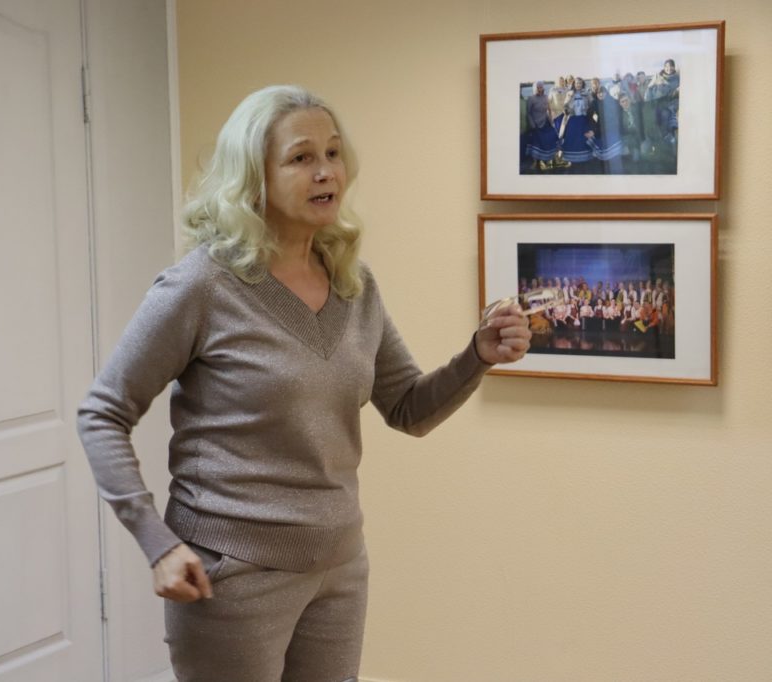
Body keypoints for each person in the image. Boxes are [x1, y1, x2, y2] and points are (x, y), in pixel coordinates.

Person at [76, 85, 531, 682]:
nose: (326, 172)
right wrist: (156, 541)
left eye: (333, 153)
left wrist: (478, 355)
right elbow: (102, 413)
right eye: (301, 158)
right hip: (232, 573)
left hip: (340, 568)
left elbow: (407, 408)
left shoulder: (353, 283)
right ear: (253, 177)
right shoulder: (201, 286)